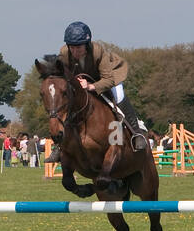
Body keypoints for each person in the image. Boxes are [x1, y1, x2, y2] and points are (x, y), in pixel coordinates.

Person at [58, 20, 148, 151]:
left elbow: (109, 79)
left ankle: (136, 133)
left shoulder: (97, 51)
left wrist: (90, 86)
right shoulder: (64, 53)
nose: (75, 51)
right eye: (72, 47)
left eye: (78, 47)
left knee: (118, 96)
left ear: (87, 45)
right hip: (80, 84)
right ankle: (60, 145)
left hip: (106, 79)